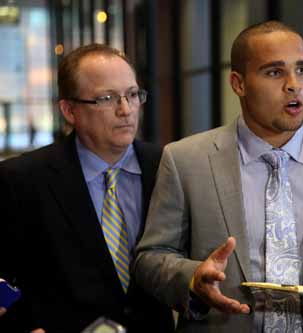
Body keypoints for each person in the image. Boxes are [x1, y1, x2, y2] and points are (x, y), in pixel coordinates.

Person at [133, 21, 303, 332]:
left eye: (302, 70)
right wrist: (193, 278)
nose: (294, 85)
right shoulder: (186, 159)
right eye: (274, 72)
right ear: (238, 84)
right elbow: (151, 257)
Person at [0, 44, 174, 333]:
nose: (126, 110)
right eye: (107, 98)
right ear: (69, 110)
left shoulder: (168, 166)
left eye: (132, 95)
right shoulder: (21, 180)